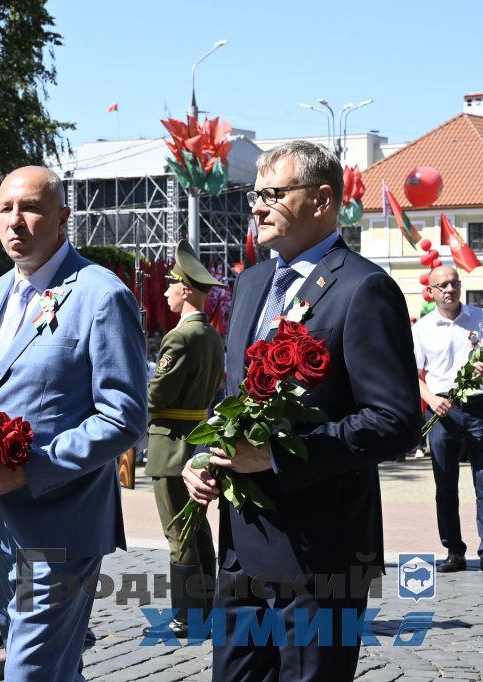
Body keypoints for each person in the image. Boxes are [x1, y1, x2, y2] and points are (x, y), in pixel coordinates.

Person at [182, 141, 420, 681]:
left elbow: (394, 420)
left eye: (273, 194)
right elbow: (233, 395)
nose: (258, 208)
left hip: (319, 554)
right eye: (255, 195)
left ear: (321, 200)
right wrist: (204, 453)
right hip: (242, 543)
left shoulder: (364, 288)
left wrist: (275, 457)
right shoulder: (251, 282)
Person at [0, 166, 147, 681]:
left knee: (29, 672)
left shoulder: (101, 294)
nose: (16, 221)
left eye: (30, 208)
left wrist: (34, 469)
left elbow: (123, 415)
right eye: (6, 209)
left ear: (62, 219)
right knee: (48, 666)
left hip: (62, 523)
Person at [142, 239, 226, 638]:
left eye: (170, 284)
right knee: (198, 530)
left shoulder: (180, 338)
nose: (165, 290)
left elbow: (157, 395)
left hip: (170, 443)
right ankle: (206, 607)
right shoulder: (211, 335)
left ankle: (188, 615)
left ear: (186, 289)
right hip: (196, 438)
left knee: (179, 533)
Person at [412, 265, 483, 573]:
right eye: (443, 285)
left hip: (480, 407)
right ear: (431, 291)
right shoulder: (421, 328)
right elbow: (411, 374)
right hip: (442, 412)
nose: (450, 289)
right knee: (445, 484)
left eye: (454, 283)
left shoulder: (480, 318)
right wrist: (430, 399)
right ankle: (454, 550)